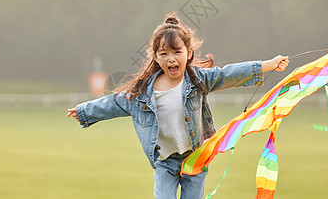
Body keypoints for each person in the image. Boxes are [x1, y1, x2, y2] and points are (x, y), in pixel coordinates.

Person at [67, 12, 289, 199]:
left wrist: (268, 65)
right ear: (155, 57)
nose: (171, 58)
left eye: (177, 52)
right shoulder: (143, 93)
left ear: (188, 53)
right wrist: (85, 111)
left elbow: (227, 74)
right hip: (164, 161)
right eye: (164, 54)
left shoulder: (198, 80)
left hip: (195, 158)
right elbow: (113, 102)